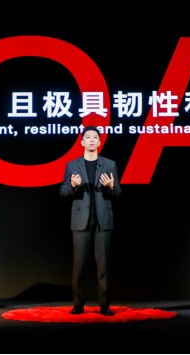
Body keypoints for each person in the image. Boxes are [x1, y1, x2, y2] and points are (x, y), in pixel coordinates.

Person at [60, 126, 121, 316]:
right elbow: (63, 192)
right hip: (81, 220)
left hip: (103, 220)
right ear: (82, 142)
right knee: (79, 264)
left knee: (104, 265)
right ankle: (78, 305)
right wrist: (73, 185)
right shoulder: (73, 165)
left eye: (95, 137)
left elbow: (118, 192)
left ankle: (105, 306)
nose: (92, 140)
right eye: (88, 137)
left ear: (100, 142)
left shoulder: (109, 164)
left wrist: (111, 186)